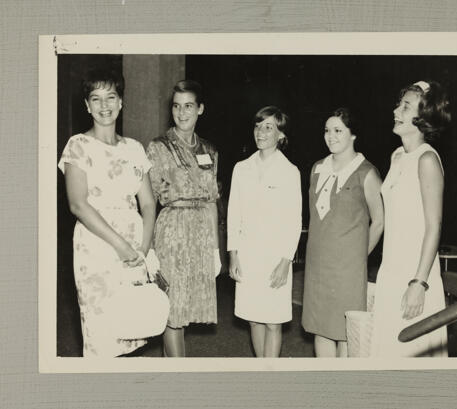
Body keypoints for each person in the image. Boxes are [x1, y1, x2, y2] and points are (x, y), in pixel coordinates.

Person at [58, 69, 156, 357]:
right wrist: (121, 246)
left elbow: (148, 203)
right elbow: (78, 204)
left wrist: (144, 246)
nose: (104, 106)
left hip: (135, 245)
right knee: (101, 336)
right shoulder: (78, 145)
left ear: (121, 102)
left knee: (131, 329)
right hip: (97, 245)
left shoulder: (135, 148)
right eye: (96, 99)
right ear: (87, 106)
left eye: (111, 97)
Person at [370, 80, 451, 357]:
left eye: (405, 107)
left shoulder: (427, 160)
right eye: (398, 104)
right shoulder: (396, 156)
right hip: (390, 270)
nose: (396, 111)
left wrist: (419, 284)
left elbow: (434, 227)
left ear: (423, 117)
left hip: (415, 275)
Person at [302, 108, 384, 357]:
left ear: (353, 134)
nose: (331, 136)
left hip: (348, 269)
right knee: (321, 328)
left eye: (338, 130)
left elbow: (379, 221)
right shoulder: (317, 168)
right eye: (327, 130)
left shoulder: (366, 172)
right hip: (317, 265)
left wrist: (359, 256)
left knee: (346, 333)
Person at [146, 79, 220, 357]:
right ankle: (180, 374)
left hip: (200, 235)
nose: (182, 112)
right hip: (171, 232)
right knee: (172, 309)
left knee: (183, 309)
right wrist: (149, 247)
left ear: (200, 109)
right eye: (177, 106)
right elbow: (148, 202)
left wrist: (215, 250)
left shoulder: (209, 151)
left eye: (188, 106)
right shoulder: (158, 147)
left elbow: (212, 201)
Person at [227, 106, 302, 357]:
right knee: (253, 319)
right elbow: (233, 213)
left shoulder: (290, 172)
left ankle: (271, 374)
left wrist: (285, 261)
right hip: (247, 255)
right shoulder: (241, 168)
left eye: (268, 127)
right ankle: (260, 370)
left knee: (272, 320)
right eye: (258, 126)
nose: (260, 132)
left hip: (275, 258)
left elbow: (294, 220)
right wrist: (233, 254)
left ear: (281, 135)